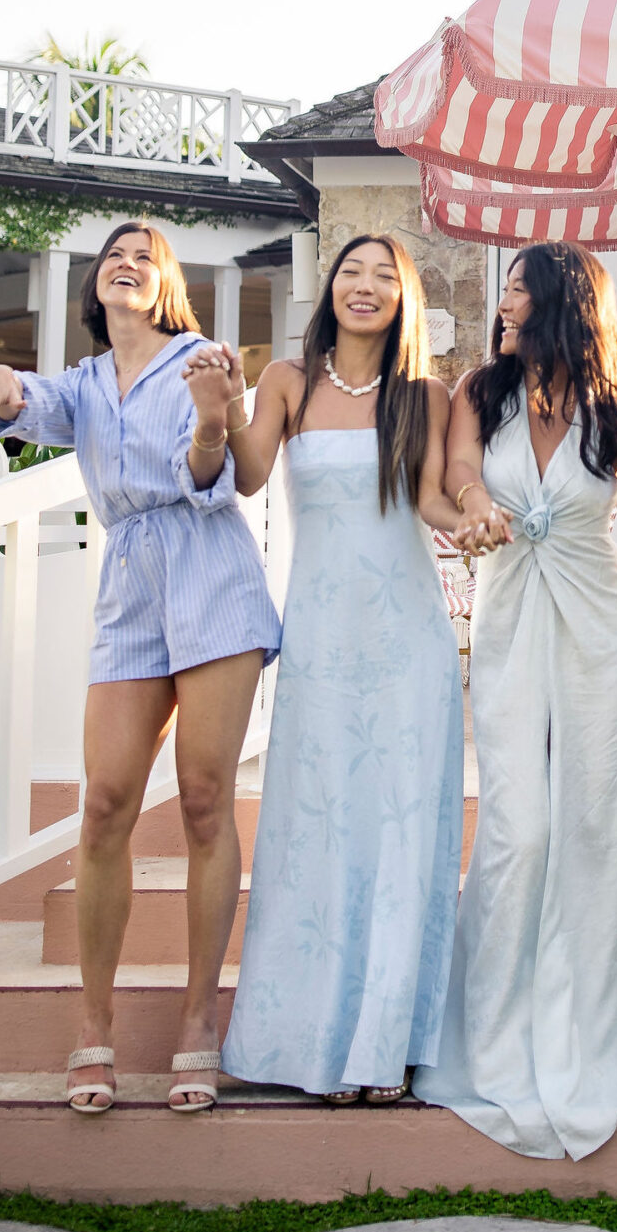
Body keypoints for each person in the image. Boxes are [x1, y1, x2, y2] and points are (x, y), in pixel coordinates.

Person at [0, 221, 281, 1115]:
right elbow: (26, 398)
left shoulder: (203, 359)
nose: (126, 265)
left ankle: (199, 1019)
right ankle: (93, 1022)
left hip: (211, 574)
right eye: (113, 257)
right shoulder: (86, 384)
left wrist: (214, 422)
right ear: (95, 286)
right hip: (130, 586)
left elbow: (215, 475)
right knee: (103, 803)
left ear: (165, 285)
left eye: (146, 259)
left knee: (204, 797)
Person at [413, 239, 617, 1159]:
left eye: (513, 290)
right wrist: (474, 501)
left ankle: (586, 1035)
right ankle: (497, 1036)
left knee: (592, 825)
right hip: (512, 613)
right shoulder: (480, 392)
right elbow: (457, 475)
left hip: (598, 620)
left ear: (556, 304)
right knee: (520, 826)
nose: (502, 303)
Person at [192, 233, 467, 1106]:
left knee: (398, 837)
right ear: (330, 286)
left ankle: (383, 1047)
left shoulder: (424, 394)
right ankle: (305, 1041)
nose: (366, 286)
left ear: (403, 301)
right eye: (353, 271)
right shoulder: (286, 382)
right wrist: (221, 410)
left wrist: (468, 520)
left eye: (385, 278)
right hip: (319, 643)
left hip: (405, 644)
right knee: (317, 834)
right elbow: (244, 476)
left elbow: (427, 498)